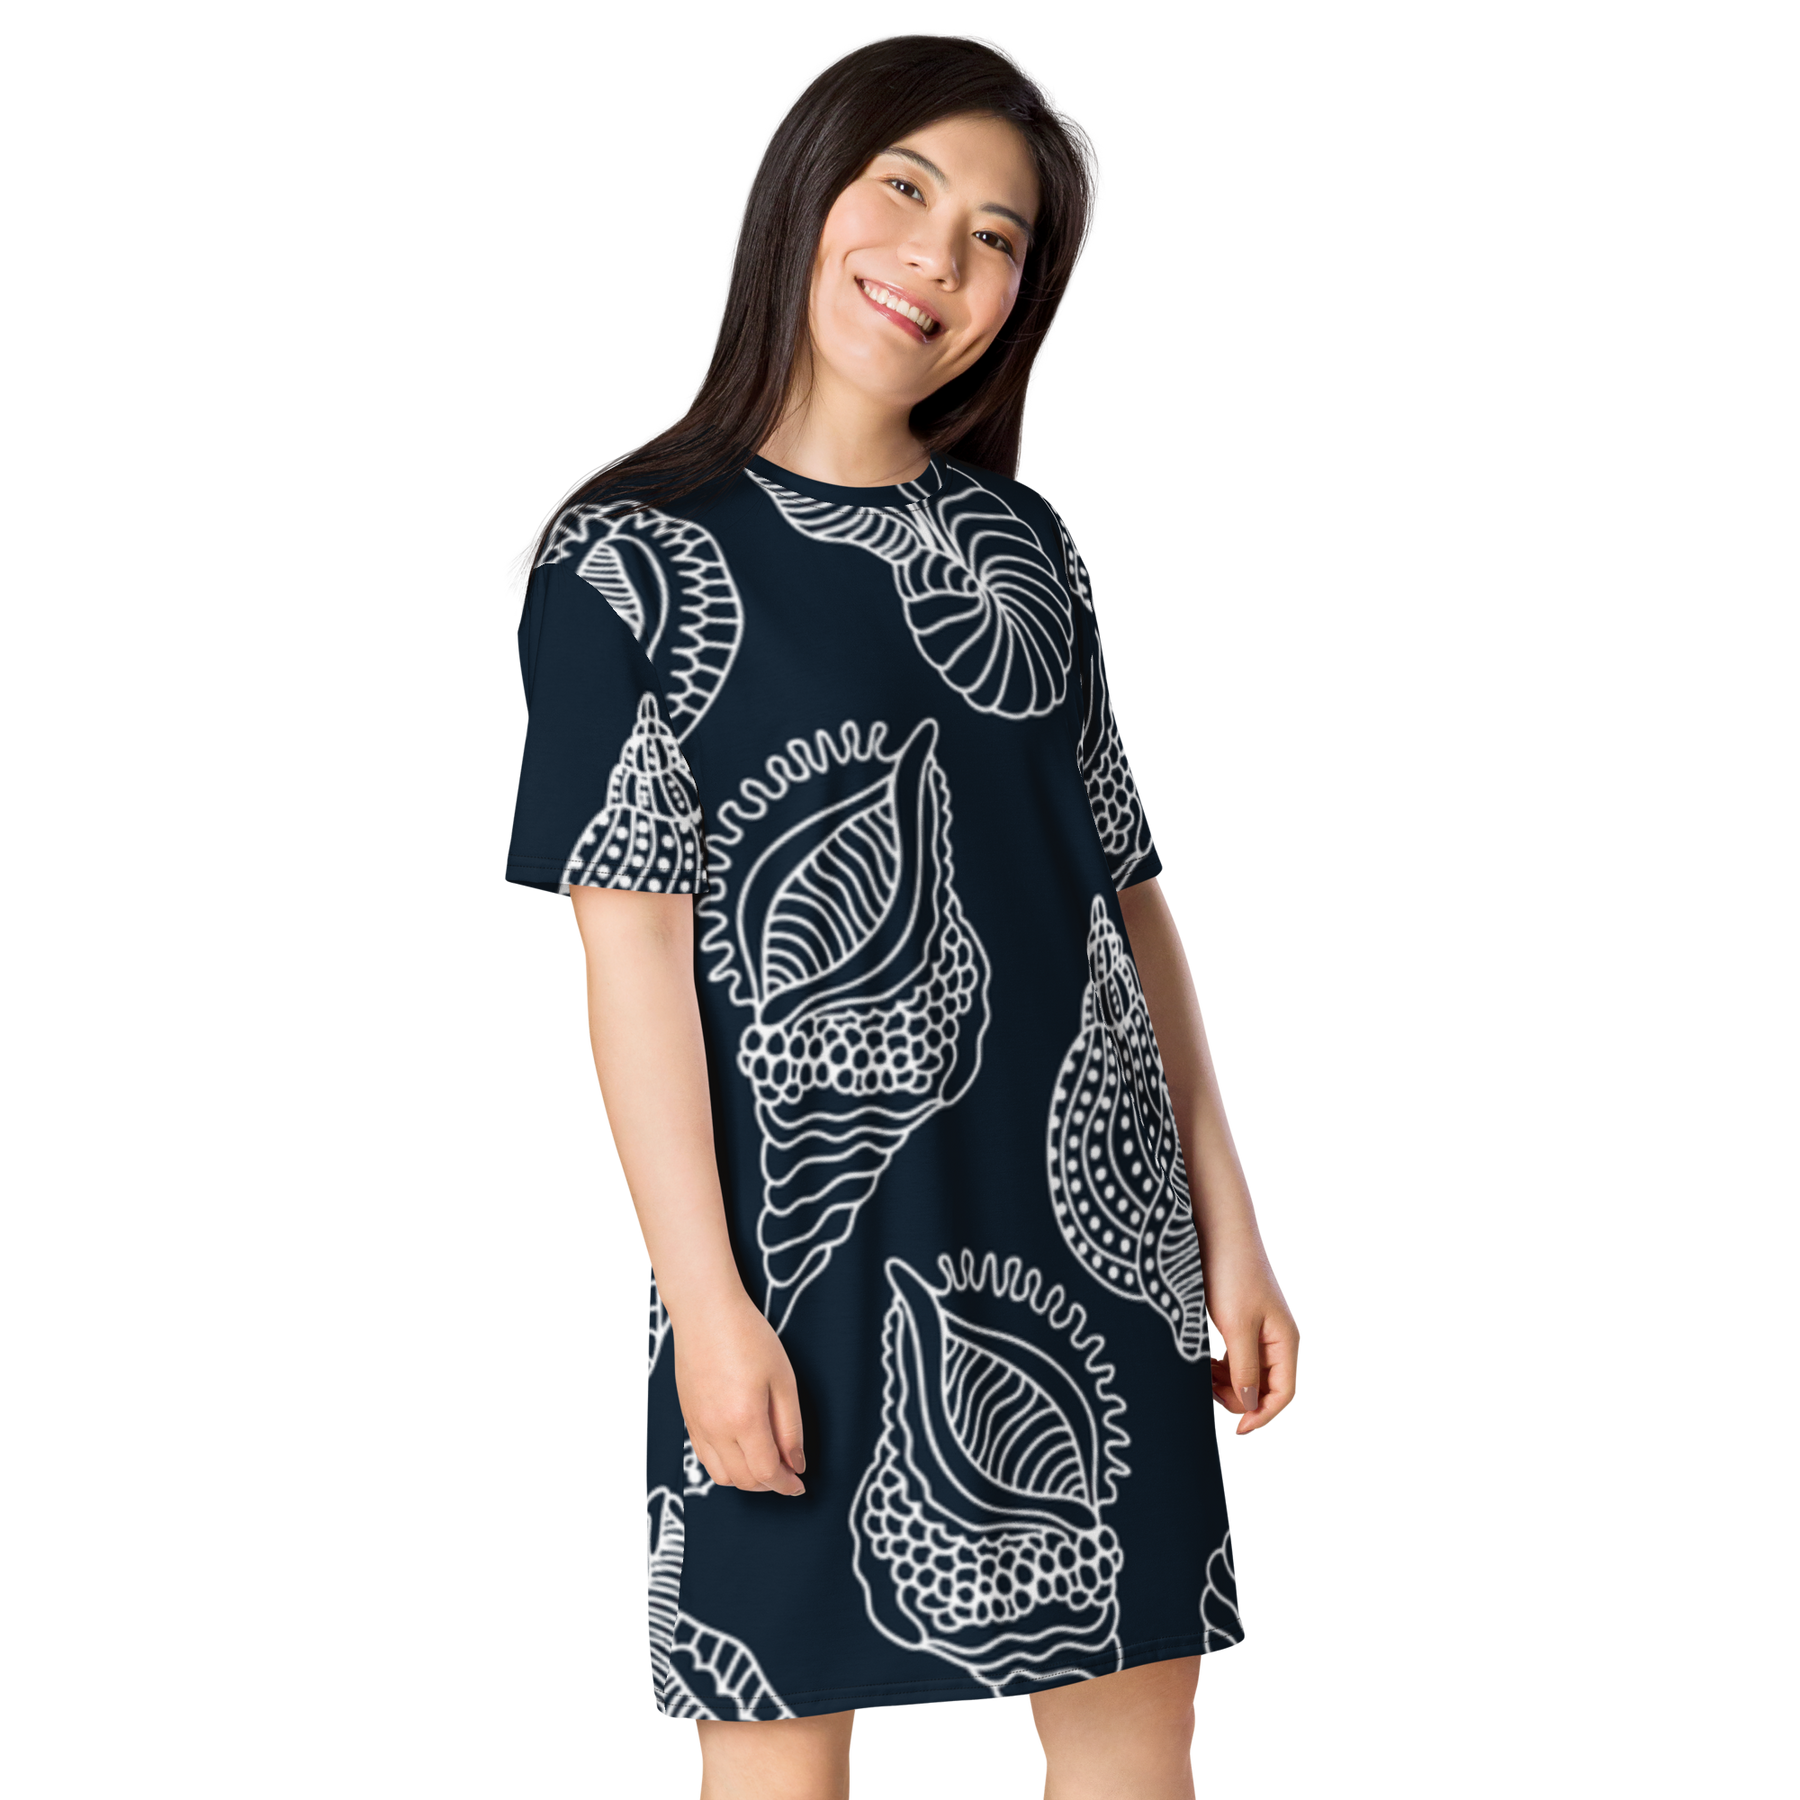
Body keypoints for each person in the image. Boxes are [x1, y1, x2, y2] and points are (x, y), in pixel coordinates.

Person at [501, 27, 1302, 1800]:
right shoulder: (628, 557)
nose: (937, 262)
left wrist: (1232, 1228)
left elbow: (1131, 900)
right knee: (775, 1765)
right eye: (907, 190)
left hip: (1105, 1239)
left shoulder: (1032, 548)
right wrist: (704, 1303)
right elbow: (628, 958)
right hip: (795, 1253)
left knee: (1142, 1757)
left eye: (996, 239)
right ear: (808, 190)